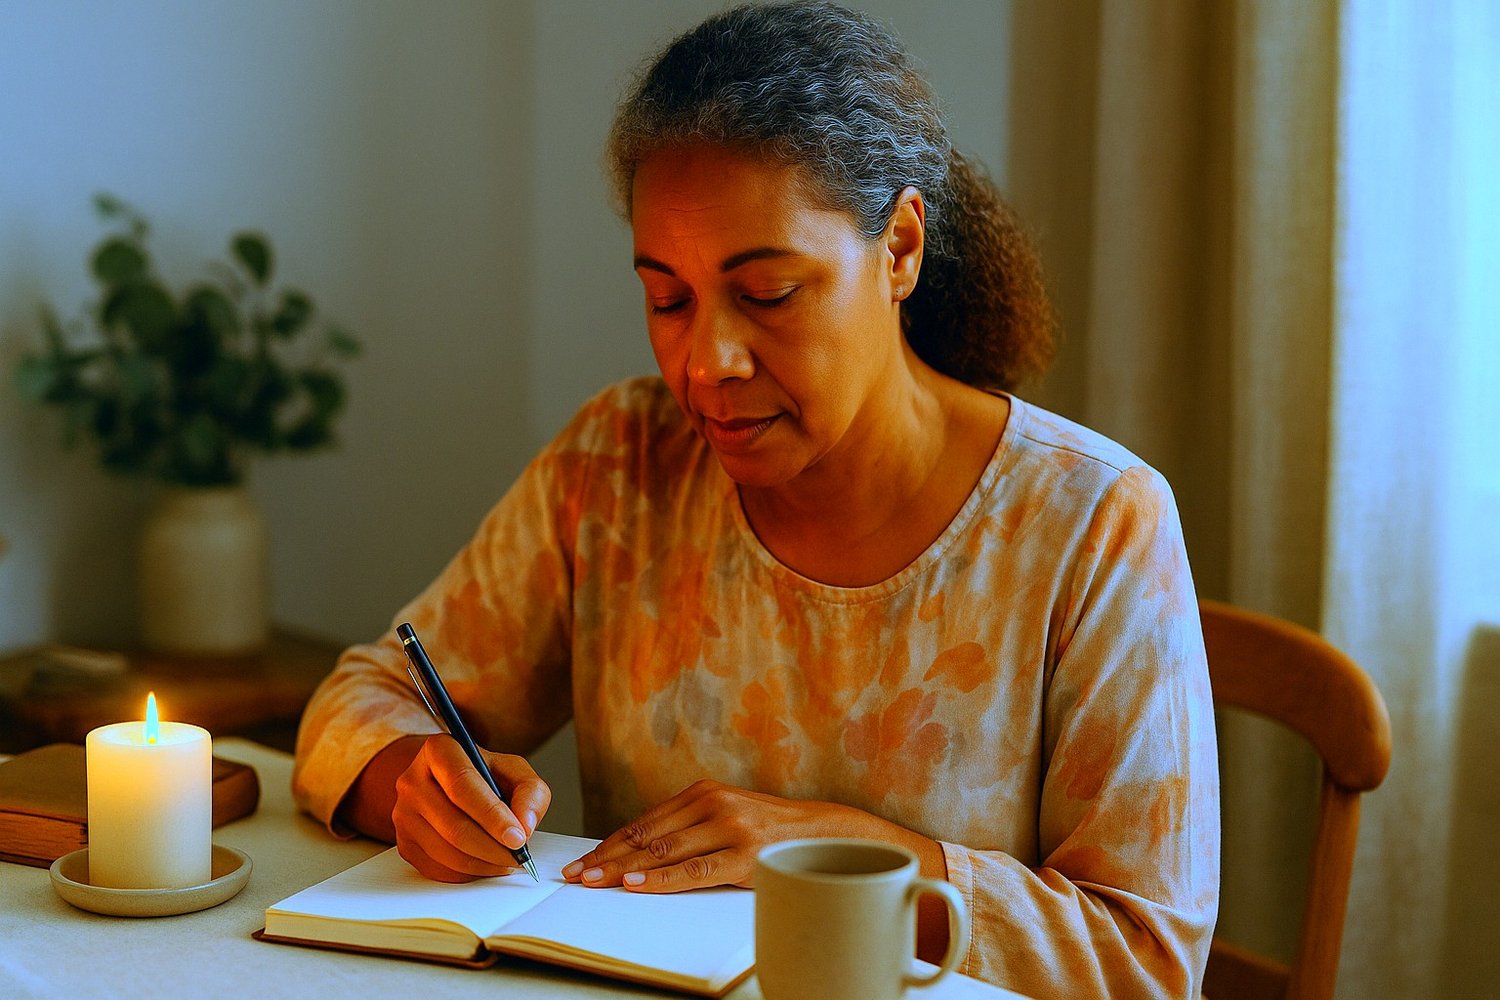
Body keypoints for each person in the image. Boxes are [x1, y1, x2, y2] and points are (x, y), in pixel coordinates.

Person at [292, 3, 1219, 997]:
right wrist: (415, 783)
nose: (707, 363)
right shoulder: (619, 466)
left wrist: (844, 852)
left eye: (768, 294)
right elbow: (363, 695)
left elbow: (1144, 955)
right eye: (666, 299)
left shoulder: (1093, 521)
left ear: (900, 248)